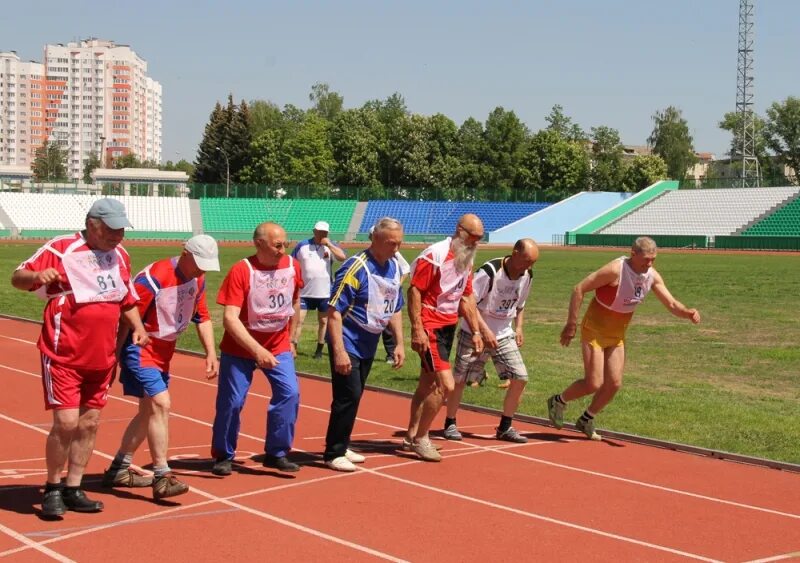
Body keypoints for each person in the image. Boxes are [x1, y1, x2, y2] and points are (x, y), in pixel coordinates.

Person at [11, 198, 149, 518]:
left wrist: (138, 328)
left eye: (122, 230)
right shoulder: (62, 248)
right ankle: (53, 487)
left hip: (101, 358)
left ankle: (74, 488)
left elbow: (126, 299)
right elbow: (17, 278)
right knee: (66, 422)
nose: (119, 236)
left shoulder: (121, 256)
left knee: (89, 423)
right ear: (93, 225)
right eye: (112, 229)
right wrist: (36, 278)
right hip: (63, 354)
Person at [547, 236, 701, 440]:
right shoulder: (615, 270)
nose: (650, 264)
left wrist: (687, 312)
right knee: (593, 383)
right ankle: (559, 401)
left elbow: (671, 304)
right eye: (646, 259)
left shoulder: (651, 276)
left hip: (617, 334)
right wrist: (571, 324)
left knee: (614, 383)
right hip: (595, 330)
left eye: (653, 259)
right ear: (633, 253)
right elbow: (579, 289)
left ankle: (586, 418)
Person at [102, 235, 221, 500]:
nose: (202, 270)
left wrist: (211, 352)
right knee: (161, 403)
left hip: (165, 351)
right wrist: (113, 357)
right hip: (141, 347)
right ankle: (162, 475)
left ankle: (119, 469)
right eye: (199, 263)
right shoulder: (153, 279)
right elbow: (126, 317)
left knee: (148, 412)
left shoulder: (197, 279)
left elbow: (202, 317)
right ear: (185, 252)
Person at [211, 222, 304, 475]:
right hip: (240, 348)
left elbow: (295, 301)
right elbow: (229, 319)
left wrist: (293, 338)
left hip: (278, 343)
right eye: (277, 245)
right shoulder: (242, 270)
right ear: (259, 243)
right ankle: (223, 454)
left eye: (286, 243)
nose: (283, 249)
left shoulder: (292, 266)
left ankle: (277, 452)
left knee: (290, 393)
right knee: (232, 402)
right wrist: (256, 350)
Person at [323, 218, 406, 471]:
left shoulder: (394, 267)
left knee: (355, 395)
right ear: (376, 240)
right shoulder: (354, 268)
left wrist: (399, 344)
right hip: (348, 340)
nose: (397, 248)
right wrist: (339, 351)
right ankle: (333, 452)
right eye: (392, 243)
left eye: (399, 243)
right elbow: (333, 312)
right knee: (348, 395)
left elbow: (395, 308)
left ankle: (342, 442)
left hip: (369, 342)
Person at [404, 214, 485, 462]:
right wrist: (417, 328)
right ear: (459, 231)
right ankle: (422, 439)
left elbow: (466, 296)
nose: (475, 243)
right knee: (445, 385)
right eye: (472, 237)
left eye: (479, 239)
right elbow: (415, 290)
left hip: (449, 327)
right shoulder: (435, 255)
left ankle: (411, 435)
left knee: (427, 384)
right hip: (430, 327)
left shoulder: (467, 257)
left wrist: (476, 330)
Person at [445, 239, 539, 444]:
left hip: (504, 333)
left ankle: (505, 426)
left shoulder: (527, 276)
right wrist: (483, 331)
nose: (528, 267)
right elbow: (468, 303)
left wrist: (519, 327)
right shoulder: (490, 272)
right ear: (514, 253)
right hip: (474, 332)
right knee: (460, 380)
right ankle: (450, 422)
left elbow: (520, 305)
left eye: (532, 263)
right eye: (526, 261)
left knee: (520, 377)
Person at [291, 220, 347, 360]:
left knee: (323, 321)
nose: (321, 234)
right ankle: (293, 346)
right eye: (319, 231)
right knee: (299, 320)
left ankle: (319, 350)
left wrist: (328, 244)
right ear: (314, 231)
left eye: (324, 232)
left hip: (324, 292)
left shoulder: (331, 246)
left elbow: (342, 257)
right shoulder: (302, 245)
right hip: (304, 291)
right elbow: (292, 263)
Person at [369, 225, 410, 366]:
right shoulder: (365, 259)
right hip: (376, 296)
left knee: (388, 326)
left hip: (388, 295)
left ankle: (391, 353)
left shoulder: (394, 255)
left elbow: (406, 269)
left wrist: (396, 284)